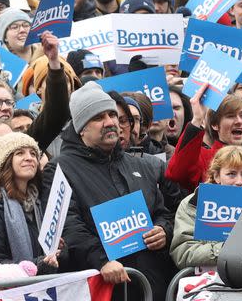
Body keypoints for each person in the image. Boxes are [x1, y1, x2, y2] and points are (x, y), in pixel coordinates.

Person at [42, 83, 175, 301]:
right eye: (98, 117)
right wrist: (102, 261)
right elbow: (69, 227)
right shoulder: (60, 169)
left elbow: (162, 212)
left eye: (112, 114)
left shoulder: (139, 165)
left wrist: (163, 230)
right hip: (103, 288)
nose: (110, 122)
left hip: (152, 285)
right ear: (81, 128)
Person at [0, 132, 62, 271]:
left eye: (33, 154)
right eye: (20, 153)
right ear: (6, 162)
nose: (29, 158)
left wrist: (58, 251)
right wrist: (39, 265)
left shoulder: (41, 206)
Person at [166, 86, 242, 192]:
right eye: (230, 116)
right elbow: (177, 174)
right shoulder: (201, 157)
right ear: (215, 125)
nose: (238, 121)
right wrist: (197, 119)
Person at [170, 145, 242, 269]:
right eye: (231, 174)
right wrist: (223, 249)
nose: (239, 181)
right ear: (217, 176)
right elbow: (183, 253)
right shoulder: (193, 203)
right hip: (207, 281)